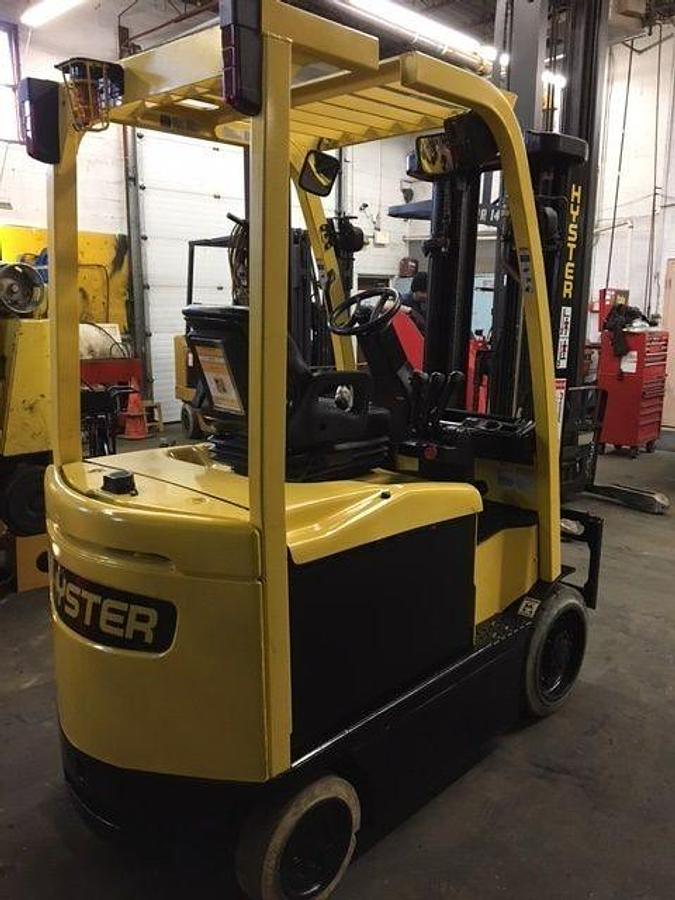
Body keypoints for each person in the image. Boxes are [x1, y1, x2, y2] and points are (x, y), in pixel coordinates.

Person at [402, 270, 428, 335]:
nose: (426, 295)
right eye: (423, 292)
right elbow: (386, 305)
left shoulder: (427, 304)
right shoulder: (404, 300)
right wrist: (410, 311)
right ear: (415, 290)